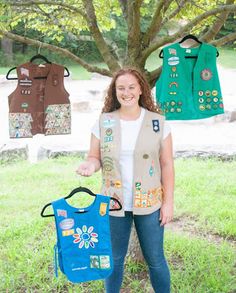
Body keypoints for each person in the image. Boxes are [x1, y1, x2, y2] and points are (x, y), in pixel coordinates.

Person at [76, 68, 174, 293]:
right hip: (113, 203)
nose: (126, 92)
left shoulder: (158, 123)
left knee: (156, 259)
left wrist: (168, 203)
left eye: (131, 87)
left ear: (141, 89)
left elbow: (167, 164)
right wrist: (90, 165)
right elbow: (95, 156)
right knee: (113, 259)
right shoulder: (104, 122)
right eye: (121, 88)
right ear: (115, 91)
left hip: (150, 203)